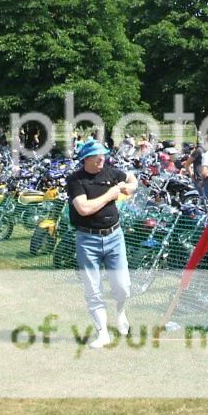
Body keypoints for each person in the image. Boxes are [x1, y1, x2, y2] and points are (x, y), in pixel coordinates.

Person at [67, 140, 138, 349]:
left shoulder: (111, 172)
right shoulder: (76, 180)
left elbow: (132, 179)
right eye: (97, 157)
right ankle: (103, 333)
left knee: (122, 286)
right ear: (85, 158)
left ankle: (121, 312)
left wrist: (128, 187)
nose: (102, 160)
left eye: (103, 156)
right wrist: (110, 195)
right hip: (87, 240)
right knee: (93, 288)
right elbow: (84, 209)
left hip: (115, 236)